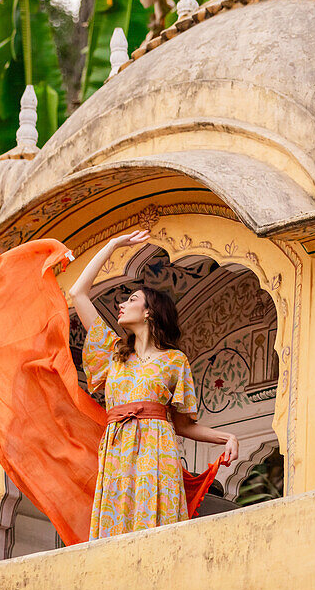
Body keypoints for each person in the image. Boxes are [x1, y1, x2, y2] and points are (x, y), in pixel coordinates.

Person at [69, 230, 239, 539]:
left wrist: (226, 437)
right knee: (115, 535)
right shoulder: (112, 355)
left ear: (149, 312)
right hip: (118, 454)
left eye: (131, 300)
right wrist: (111, 245)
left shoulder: (174, 361)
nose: (122, 304)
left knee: (155, 532)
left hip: (157, 453)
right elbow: (78, 292)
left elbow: (182, 425)